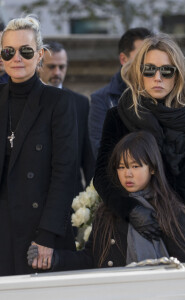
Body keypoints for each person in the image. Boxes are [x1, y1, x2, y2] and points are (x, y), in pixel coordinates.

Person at [93, 33, 185, 261]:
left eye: (166, 71)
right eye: (150, 69)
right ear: (139, 72)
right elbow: (101, 175)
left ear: (178, 75)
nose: (157, 77)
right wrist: (130, 210)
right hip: (134, 222)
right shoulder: (119, 115)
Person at [28, 131, 185, 270]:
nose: (127, 174)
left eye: (135, 166)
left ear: (152, 167)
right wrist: (53, 258)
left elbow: (184, 267)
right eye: (121, 167)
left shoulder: (172, 212)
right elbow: (90, 258)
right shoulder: (108, 211)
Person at [0, 15, 77, 276]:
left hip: (40, 234)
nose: (16, 58)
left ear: (40, 54)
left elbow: (65, 174)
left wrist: (46, 236)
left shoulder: (59, 102)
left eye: (26, 51)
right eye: (8, 52)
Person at [38, 41, 94, 195]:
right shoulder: (28, 100)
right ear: (39, 65)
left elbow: (88, 157)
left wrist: (92, 200)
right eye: (51, 67)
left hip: (71, 195)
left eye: (62, 67)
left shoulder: (81, 103)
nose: (57, 72)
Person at [89, 27, 151, 159]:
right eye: (141, 57)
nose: (148, 64)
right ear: (123, 59)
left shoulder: (163, 92)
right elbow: (102, 151)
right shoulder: (102, 99)